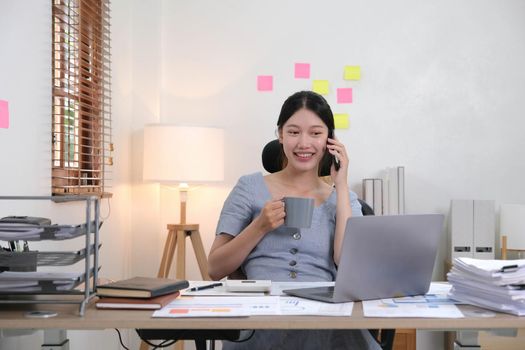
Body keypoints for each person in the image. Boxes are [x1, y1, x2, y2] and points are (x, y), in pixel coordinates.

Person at [207, 91, 381, 350]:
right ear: (280, 134)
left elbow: (346, 263)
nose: (303, 143)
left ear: (329, 140)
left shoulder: (344, 199)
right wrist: (260, 226)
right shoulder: (248, 187)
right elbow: (215, 267)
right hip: (261, 317)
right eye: (293, 132)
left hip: (325, 320)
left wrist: (341, 185)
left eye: (315, 133)